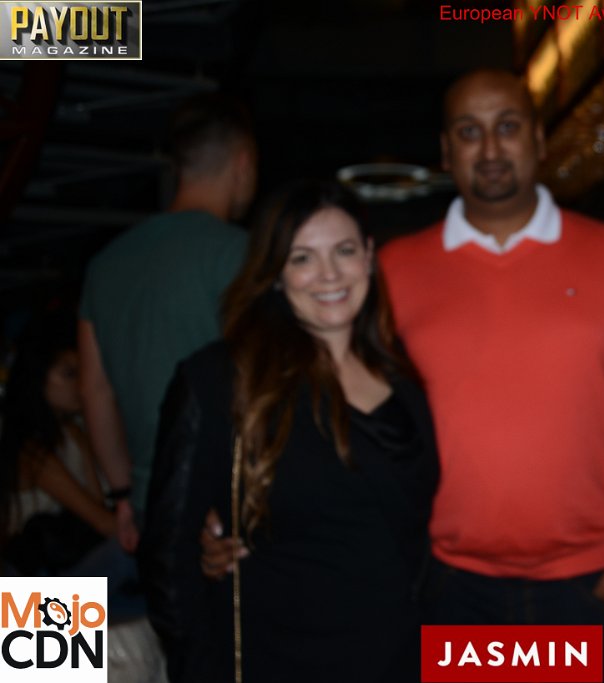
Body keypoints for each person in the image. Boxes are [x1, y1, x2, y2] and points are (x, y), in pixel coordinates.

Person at [378, 69, 604, 682]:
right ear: (446, 151)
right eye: (470, 132)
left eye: (507, 127)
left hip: (591, 589)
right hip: (452, 592)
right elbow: (351, 416)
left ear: (539, 140)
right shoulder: (394, 271)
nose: (490, 149)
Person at [140, 180, 438, 683]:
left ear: (369, 257)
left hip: (403, 656)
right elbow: (167, 558)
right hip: (284, 659)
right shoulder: (222, 381)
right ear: (276, 273)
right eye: (302, 258)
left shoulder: (404, 375)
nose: (329, 274)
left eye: (344, 251)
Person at [79, 93, 258, 552]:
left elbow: (95, 391)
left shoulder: (105, 264)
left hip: (151, 504)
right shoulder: (242, 254)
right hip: (227, 507)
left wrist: (123, 495)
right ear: (243, 162)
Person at [1, 309, 114, 575]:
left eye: (83, 372)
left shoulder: (74, 432)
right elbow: (102, 522)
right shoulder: (31, 451)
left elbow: (98, 511)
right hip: (29, 582)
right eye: (69, 374)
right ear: (38, 377)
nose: (81, 383)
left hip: (66, 568)